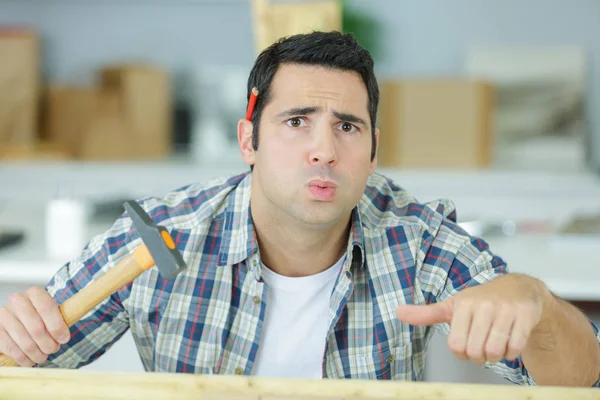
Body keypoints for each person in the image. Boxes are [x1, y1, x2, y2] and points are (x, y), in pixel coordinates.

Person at [0, 31, 599, 387]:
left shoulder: (414, 240)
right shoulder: (161, 237)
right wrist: (18, 334)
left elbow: (584, 378)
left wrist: (537, 303)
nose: (324, 150)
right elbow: (22, 363)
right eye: (296, 122)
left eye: (347, 126)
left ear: (373, 150)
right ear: (248, 141)